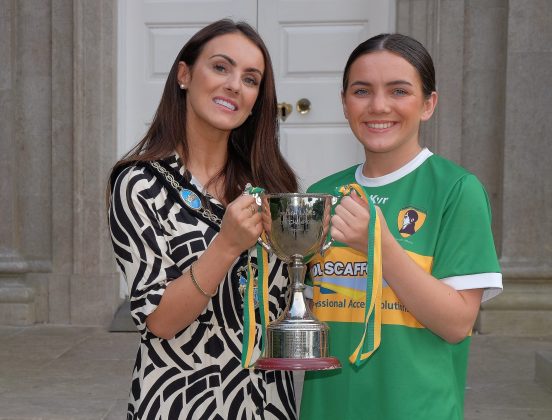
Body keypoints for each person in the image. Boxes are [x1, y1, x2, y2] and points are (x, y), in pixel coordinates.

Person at [300, 33, 503, 420]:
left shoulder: (456, 190)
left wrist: (379, 245)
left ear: (428, 104)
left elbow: (457, 323)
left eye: (399, 91)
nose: (378, 106)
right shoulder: (323, 193)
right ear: (344, 103)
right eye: (362, 91)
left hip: (417, 409)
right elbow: (312, 308)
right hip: (328, 407)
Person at [108, 19, 298, 419]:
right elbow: (159, 320)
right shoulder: (139, 184)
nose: (234, 85)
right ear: (184, 74)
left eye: (251, 79)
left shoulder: (270, 184)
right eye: (221, 67)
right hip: (181, 400)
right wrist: (226, 246)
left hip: (267, 402)